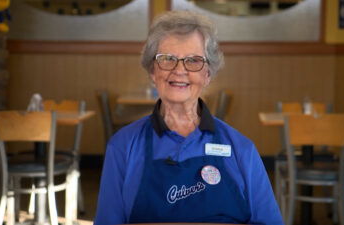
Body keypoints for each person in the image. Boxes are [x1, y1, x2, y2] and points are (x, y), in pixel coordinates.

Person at [94, 10, 283, 225]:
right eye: (167, 59)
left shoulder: (241, 149)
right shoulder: (122, 147)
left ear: (208, 75)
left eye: (193, 61)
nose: (179, 70)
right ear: (152, 72)